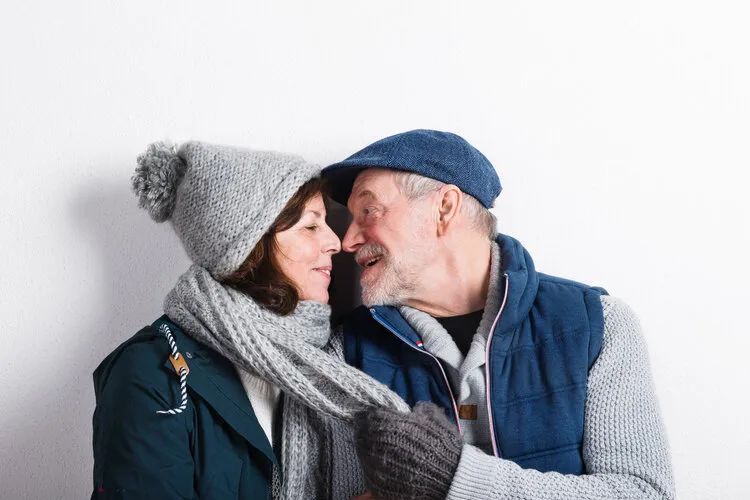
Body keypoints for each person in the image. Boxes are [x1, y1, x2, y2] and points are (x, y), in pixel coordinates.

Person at [321, 129, 675, 499]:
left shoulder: (596, 325)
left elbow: (643, 493)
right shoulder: (348, 352)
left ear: (444, 208)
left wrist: (455, 477)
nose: (348, 241)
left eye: (369, 211)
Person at [91, 141, 408, 500]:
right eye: (310, 226)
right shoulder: (151, 372)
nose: (335, 242)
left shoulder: (328, 361)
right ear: (250, 248)